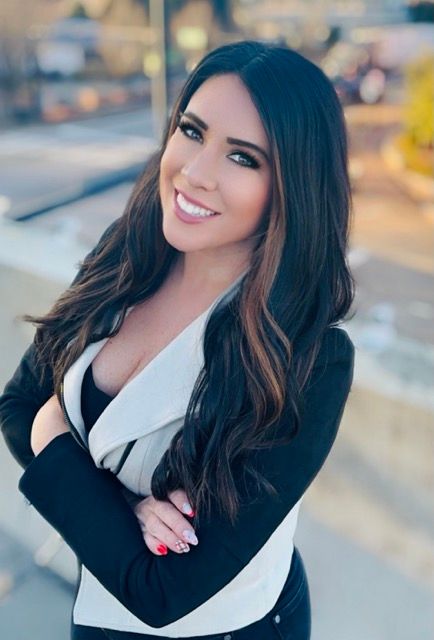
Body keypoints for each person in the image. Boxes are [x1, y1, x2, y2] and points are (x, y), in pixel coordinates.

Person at [0, 40, 355, 640]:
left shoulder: (309, 358)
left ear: (293, 185)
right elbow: (16, 407)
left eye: (244, 159)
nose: (195, 173)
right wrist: (125, 508)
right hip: (100, 612)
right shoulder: (126, 252)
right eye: (192, 131)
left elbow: (164, 590)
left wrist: (51, 432)